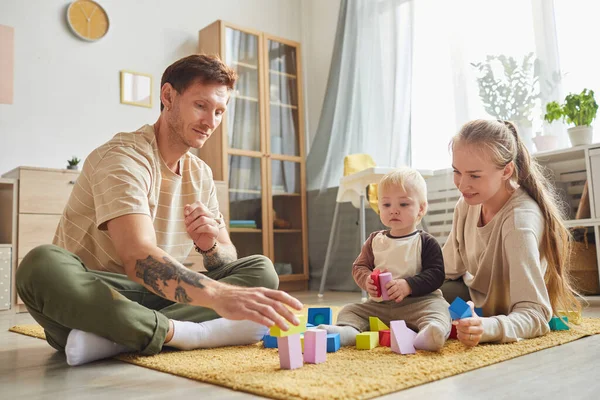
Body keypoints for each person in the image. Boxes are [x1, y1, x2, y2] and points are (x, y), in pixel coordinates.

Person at [15, 54, 303, 366]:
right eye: (201, 105)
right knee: (39, 266)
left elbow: (228, 257)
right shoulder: (123, 158)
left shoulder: (201, 174)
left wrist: (211, 247)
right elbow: (138, 257)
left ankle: (119, 337)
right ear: (168, 96)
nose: (211, 122)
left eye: (219, 111)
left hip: (160, 297)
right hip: (97, 296)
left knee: (261, 270)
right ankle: (193, 333)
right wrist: (220, 297)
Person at [442, 119, 581, 347]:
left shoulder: (519, 223)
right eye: (457, 172)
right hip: (472, 301)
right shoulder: (467, 204)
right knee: (417, 294)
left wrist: (488, 327)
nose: (462, 184)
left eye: (474, 176)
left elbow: (535, 314)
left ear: (506, 170)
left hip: (507, 314)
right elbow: (447, 269)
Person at [318, 167, 451, 351]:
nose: (394, 211)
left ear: (421, 208)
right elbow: (359, 266)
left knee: (440, 310)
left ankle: (430, 333)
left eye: (403, 205)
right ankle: (348, 331)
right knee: (349, 310)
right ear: (379, 206)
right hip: (379, 307)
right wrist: (367, 281)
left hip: (419, 304)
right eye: (387, 205)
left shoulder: (425, 241)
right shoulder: (375, 240)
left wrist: (408, 285)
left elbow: (436, 274)